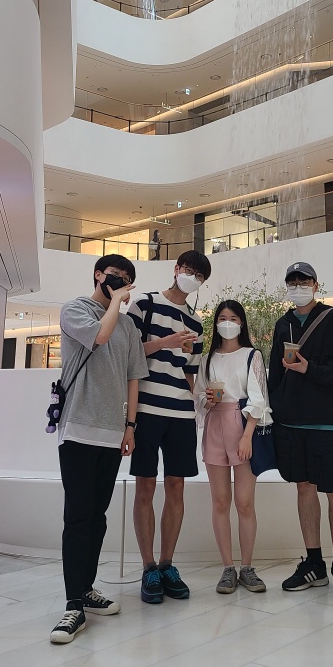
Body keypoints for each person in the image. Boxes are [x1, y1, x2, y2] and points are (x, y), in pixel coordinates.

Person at [49, 255, 148, 645]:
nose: (121, 283)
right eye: (115, 277)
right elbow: (99, 337)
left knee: (97, 517)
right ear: (98, 275)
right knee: (77, 517)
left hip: (112, 433)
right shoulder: (76, 309)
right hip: (78, 429)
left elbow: (133, 378)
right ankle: (73, 604)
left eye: (127, 279)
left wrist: (130, 427)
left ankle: (86, 588)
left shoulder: (129, 326)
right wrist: (115, 303)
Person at [268, 261, 333, 599]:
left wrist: (311, 369)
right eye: (292, 282)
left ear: (315, 285)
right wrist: (275, 411)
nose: (298, 287)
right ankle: (314, 563)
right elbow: (275, 374)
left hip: (327, 422)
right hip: (291, 424)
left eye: (303, 281)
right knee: (304, 489)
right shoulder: (283, 324)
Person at [128, 250, 211, 604]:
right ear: (176, 269)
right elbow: (127, 353)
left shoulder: (197, 323)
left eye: (200, 277)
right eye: (189, 270)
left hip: (181, 413)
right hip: (146, 409)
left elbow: (190, 373)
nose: (192, 278)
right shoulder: (145, 305)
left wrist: (202, 401)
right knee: (145, 486)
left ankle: (167, 564)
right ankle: (148, 567)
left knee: (176, 486)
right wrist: (166, 342)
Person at [196, 300, 270, 594]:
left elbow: (259, 399)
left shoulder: (252, 355)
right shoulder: (207, 358)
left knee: (245, 502)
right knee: (220, 502)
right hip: (214, 425)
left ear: (242, 323)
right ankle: (227, 568)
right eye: (223, 318)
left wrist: (247, 435)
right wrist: (206, 401)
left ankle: (247, 567)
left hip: (241, 426)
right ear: (215, 323)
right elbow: (198, 397)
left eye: (234, 318)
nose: (228, 323)